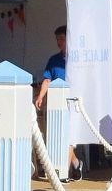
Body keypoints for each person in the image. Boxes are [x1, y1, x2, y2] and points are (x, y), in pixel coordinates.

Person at [33, 25, 78, 178]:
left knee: (70, 137)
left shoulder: (77, 59)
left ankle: (64, 172)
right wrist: (41, 96)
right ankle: (76, 163)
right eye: (57, 39)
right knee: (58, 135)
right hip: (56, 104)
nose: (59, 42)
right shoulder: (53, 60)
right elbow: (47, 80)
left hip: (74, 103)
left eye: (62, 39)